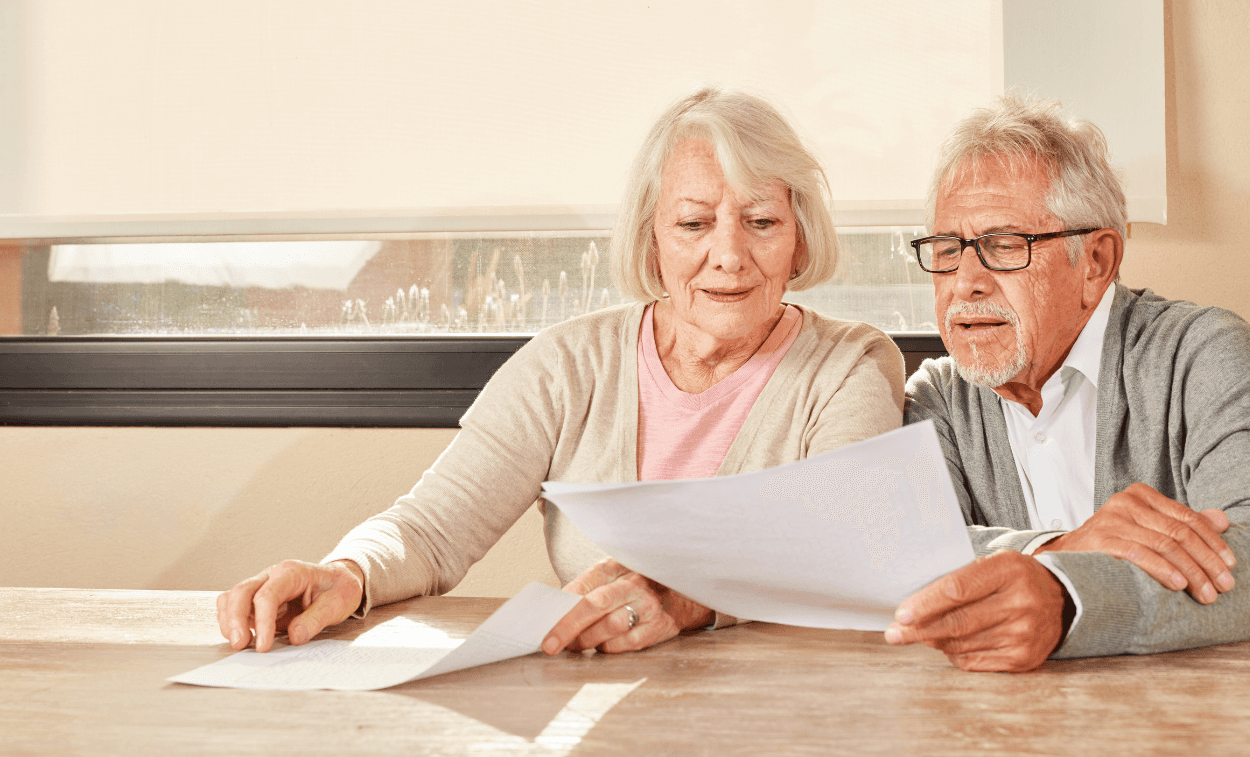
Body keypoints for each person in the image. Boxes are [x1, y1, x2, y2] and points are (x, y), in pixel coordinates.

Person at [217, 86, 905, 659]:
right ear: (651, 238)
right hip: (597, 722)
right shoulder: (565, 367)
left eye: (761, 221)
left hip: (791, 722)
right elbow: (429, 529)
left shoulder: (851, 366)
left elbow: (839, 554)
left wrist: (685, 598)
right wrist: (347, 573)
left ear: (799, 237)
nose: (729, 254)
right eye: (694, 225)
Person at [888, 92, 1250, 757]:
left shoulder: (1204, 352)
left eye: (1003, 245)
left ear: (1096, 259)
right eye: (946, 250)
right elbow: (900, 553)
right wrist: (1066, 546)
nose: (965, 281)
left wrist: (1069, 595)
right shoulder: (939, 394)